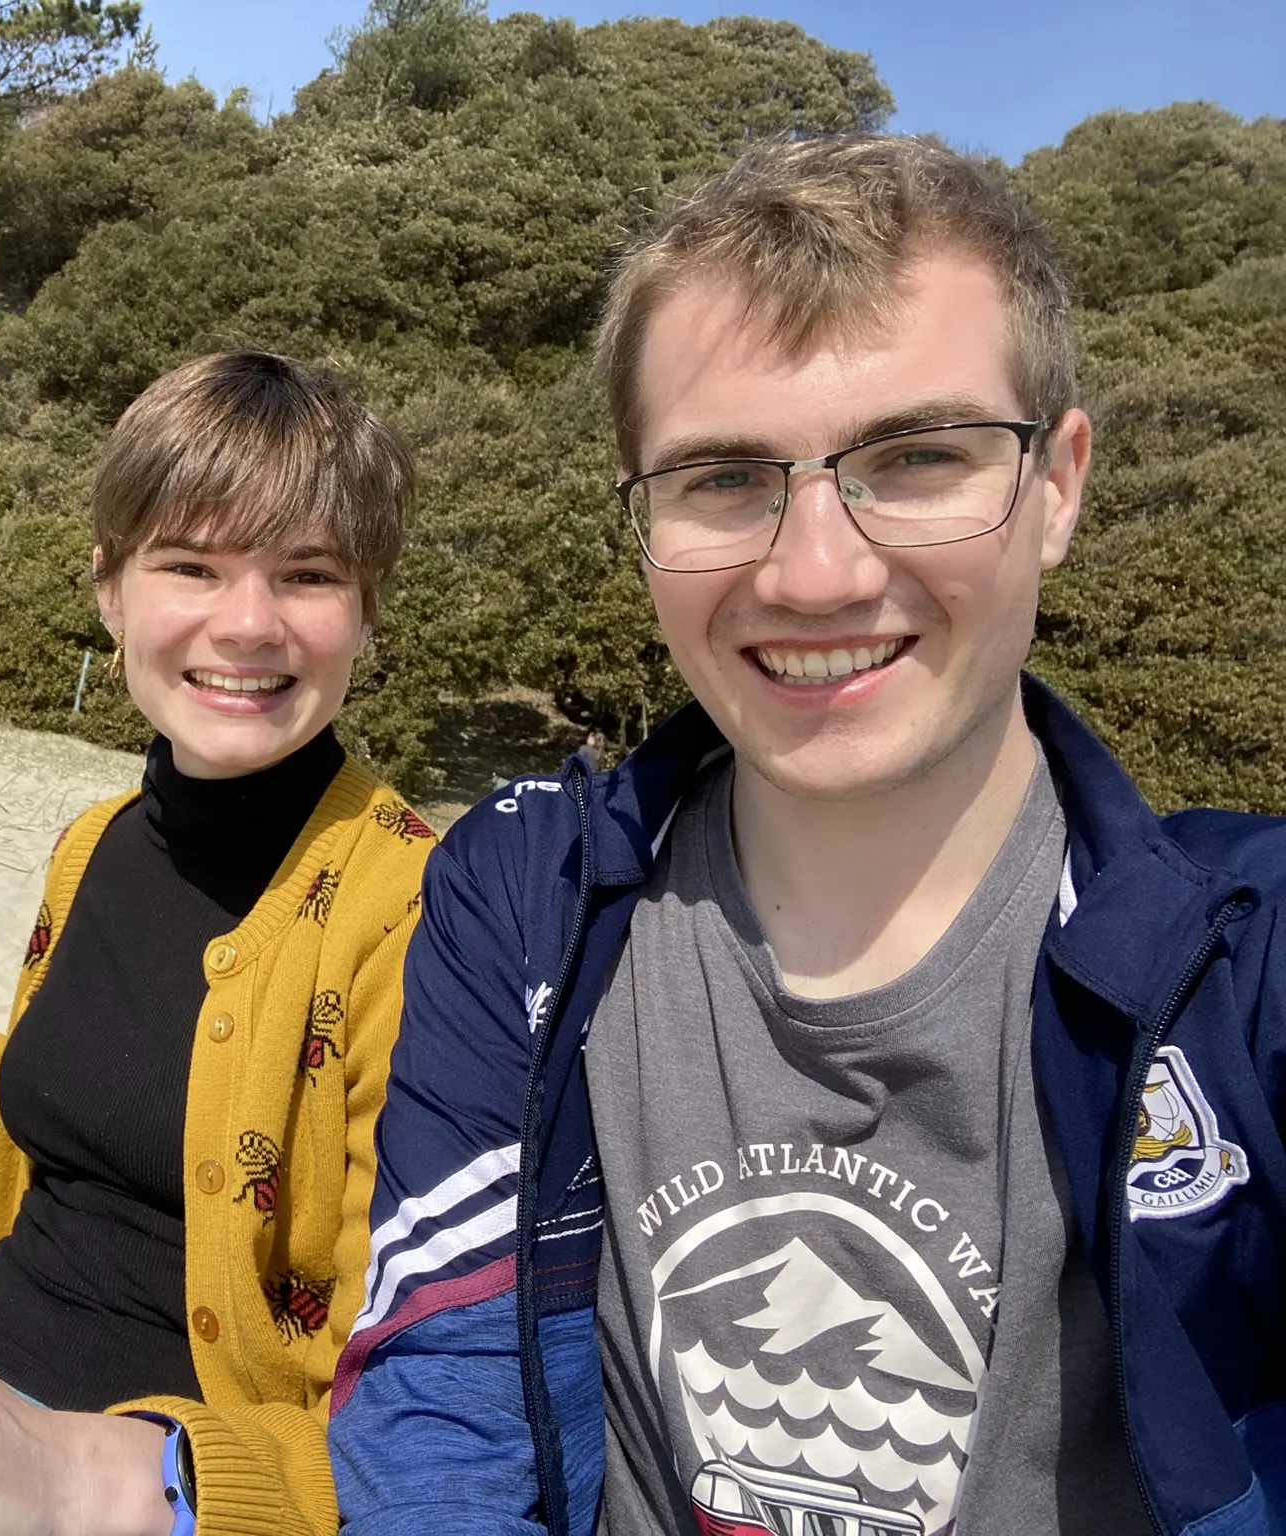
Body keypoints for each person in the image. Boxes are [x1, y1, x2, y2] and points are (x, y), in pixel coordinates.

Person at [329, 135, 1285, 1536]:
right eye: (722, 479)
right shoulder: (525, 901)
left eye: (917, 458)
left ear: (1059, 485)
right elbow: (444, 1427)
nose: (816, 571)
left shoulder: (1247, 967)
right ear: (642, 525)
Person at [0, 350, 438, 1536]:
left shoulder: (411, 914)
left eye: (305, 574)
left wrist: (86, 1475)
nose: (248, 623)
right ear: (110, 590)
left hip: (146, 1488)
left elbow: (407, 1392)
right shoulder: (92, 844)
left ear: (366, 608)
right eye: (191, 566)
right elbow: (93, 1129)